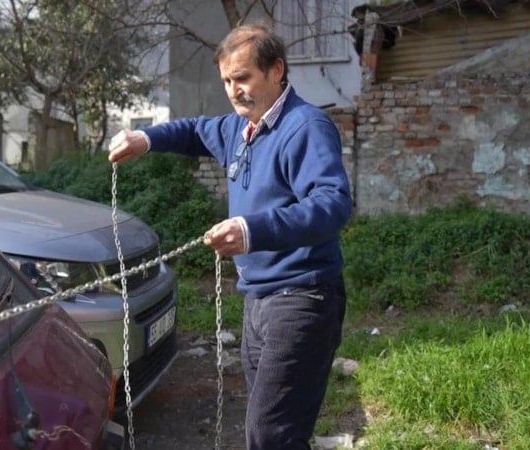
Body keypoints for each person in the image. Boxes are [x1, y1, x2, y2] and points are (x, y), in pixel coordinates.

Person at [108, 23, 352, 450]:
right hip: (258, 299)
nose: (234, 91)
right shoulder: (239, 128)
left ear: (276, 70)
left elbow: (332, 205)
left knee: (270, 435)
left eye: (242, 78)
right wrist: (144, 137)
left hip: (302, 299)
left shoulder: (305, 126)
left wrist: (252, 229)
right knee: (271, 429)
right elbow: (193, 131)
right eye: (226, 81)